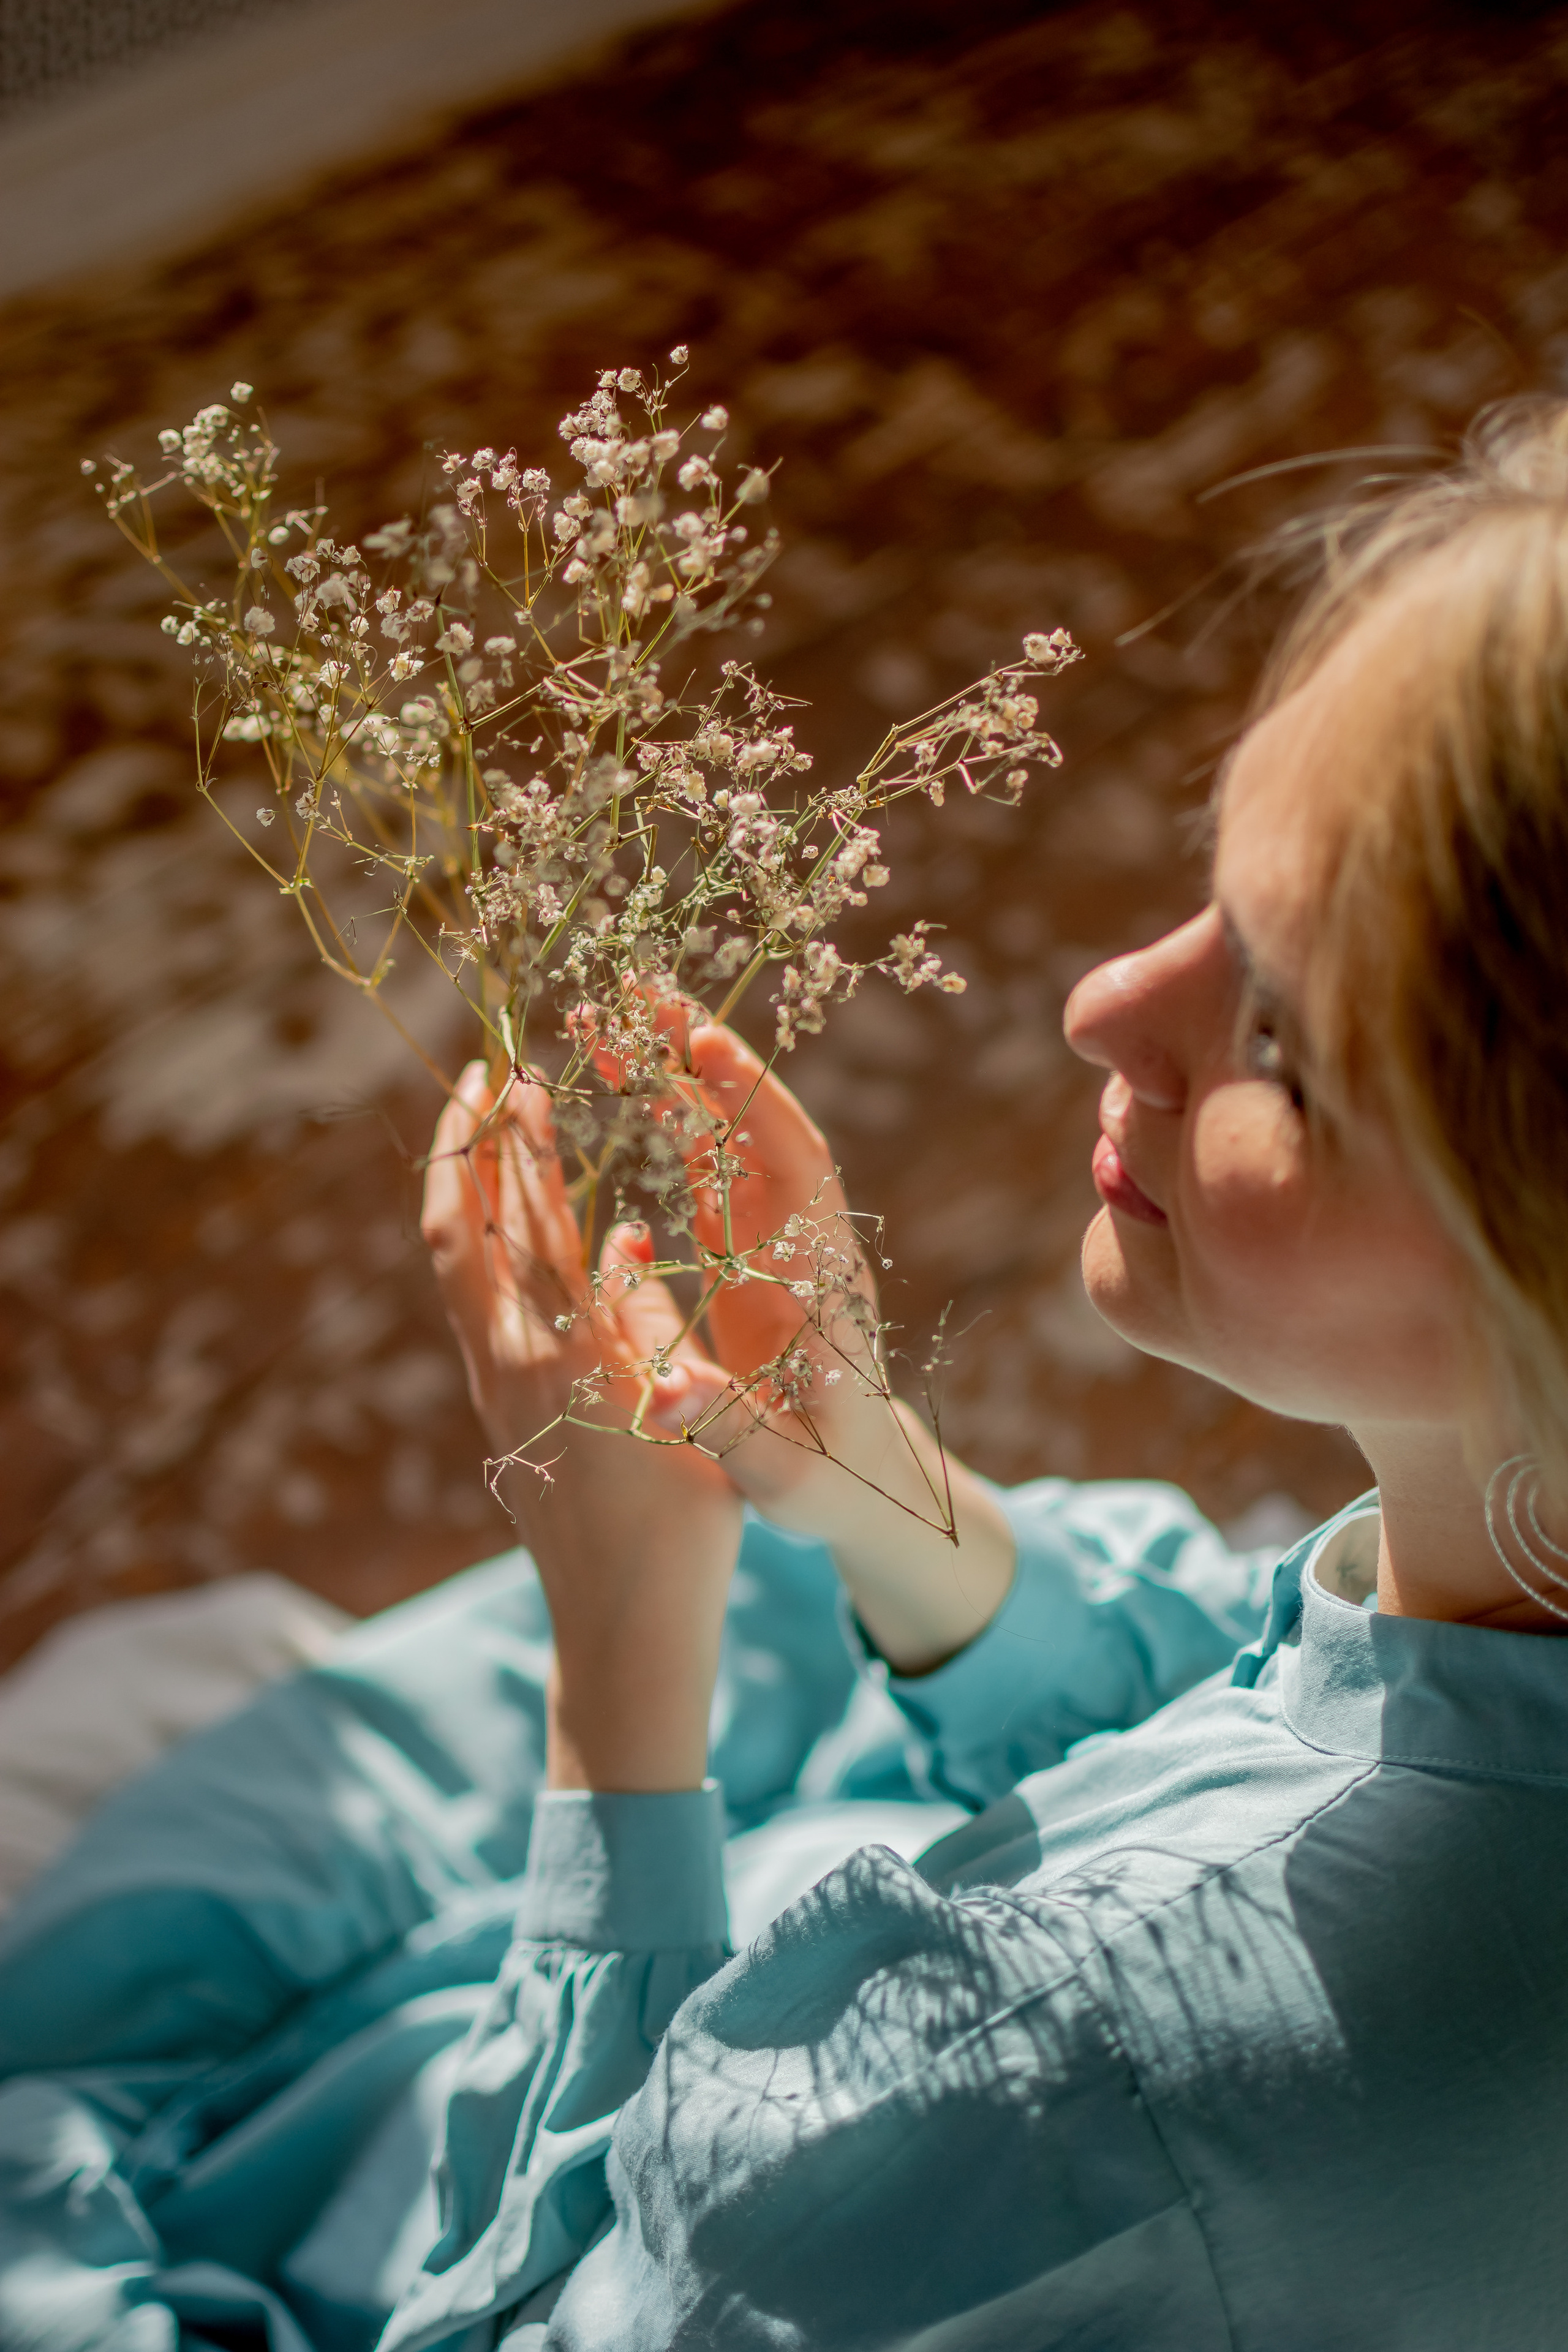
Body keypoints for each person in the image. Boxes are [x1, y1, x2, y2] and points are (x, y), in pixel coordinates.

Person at [2, 396, 1566, 2351]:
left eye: (1282, 1036)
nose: (1103, 1003)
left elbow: (523, 2318)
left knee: (139, 1768)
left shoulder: (1050, 2088)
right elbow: (1268, 1707)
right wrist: (870, 1491)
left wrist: (617, 1674)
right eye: (1213, 887)